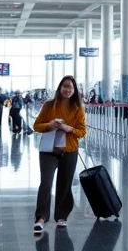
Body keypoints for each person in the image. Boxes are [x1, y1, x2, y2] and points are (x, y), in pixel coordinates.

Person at [33, 75, 87, 233]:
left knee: (65, 184)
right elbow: (36, 125)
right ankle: (41, 217)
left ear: (74, 90)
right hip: (49, 151)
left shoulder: (78, 108)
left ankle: (62, 216)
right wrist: (49, 125)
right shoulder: (49, 106)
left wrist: (69, 129)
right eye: (65, 86)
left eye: (70, 87)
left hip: (69, 150)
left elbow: (82, 131)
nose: (67, 90)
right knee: (46, 183)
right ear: (60, 88)